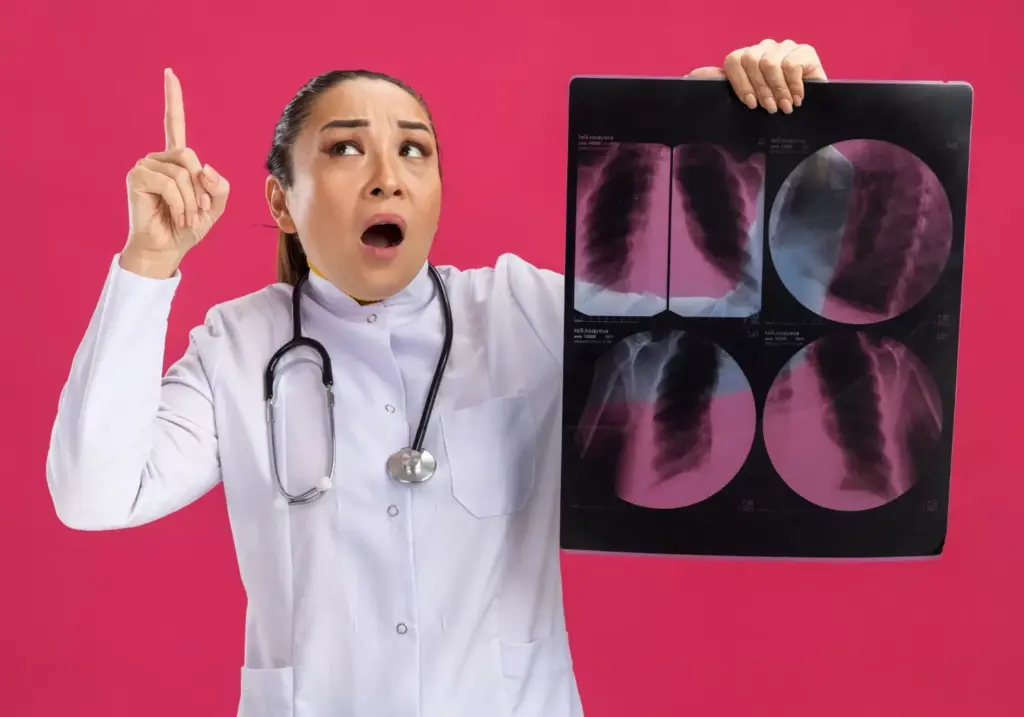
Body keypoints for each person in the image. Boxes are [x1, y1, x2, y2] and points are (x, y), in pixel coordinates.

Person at [46, 39, 828, 717]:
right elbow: (93, 494)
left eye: (414, 150)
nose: (388, 177)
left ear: (436, 190)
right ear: (281, 201)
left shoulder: (524, 312)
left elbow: (736, 329)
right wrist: (149, 262)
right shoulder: (238, 346)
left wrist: (739, 129)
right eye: (346, 148)